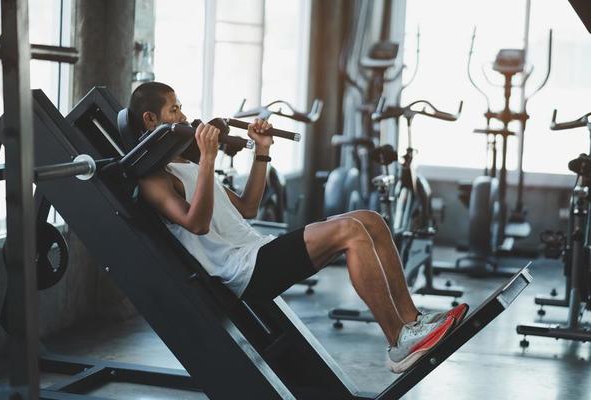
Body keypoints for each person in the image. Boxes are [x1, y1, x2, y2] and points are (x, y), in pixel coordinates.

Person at [133, 82, 468, 373]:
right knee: (351, 231)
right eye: (174, 109)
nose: (182, 115)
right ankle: (398, 342)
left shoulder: (185, 163)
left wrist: (261, 152)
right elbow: (197, 224)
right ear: (150, 120)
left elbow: (248, 207)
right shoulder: (154, 179)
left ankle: (412, 322)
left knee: (371, 220)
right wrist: (208, 159)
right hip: (243, 272)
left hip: (258, 251)